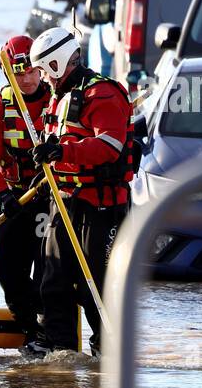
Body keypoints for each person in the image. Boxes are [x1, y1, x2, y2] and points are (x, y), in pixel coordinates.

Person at [27, 26, 134, 357]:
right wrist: (46, 171)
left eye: (45, 71)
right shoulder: (59, 100)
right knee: (53, 279)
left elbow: (109, 146)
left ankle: (108, 351)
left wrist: (63, 153)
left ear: (58, 64)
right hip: (66, 200)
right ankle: (60, 353)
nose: (43, 79)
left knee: (98, 286)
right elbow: (59, 144)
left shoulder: (103, 94)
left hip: (101, 207)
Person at [0, 35, 53, 353]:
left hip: (54, 200)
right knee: (7, 269)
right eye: (20, 73)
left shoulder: (58, 102)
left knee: (53, 269)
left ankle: (59, 332)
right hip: (16, 202)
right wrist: (1, 195)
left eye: (33, 71)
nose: (28, 79)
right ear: (8, 74)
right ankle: (31, 330)